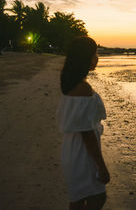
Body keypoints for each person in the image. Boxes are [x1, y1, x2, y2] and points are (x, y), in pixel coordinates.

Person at [56, 36, 110, 210]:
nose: (97, 58)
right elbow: (86, 133)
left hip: (71, 148)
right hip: (82, 151)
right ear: (84, 58)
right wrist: (101, 166)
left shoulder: (70, 82)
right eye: (94, 55)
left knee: (78, 198)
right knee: (97, 197)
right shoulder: (82, 88)